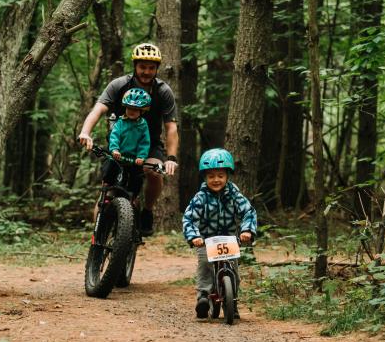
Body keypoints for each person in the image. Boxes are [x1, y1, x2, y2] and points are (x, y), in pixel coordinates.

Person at [79, 43, 179, 233]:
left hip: (148, 145)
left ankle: (147, 211)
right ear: (135, 66)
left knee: (155, 173)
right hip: (119, 144)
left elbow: (171, 127)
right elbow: (98, 109)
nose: (146, 72)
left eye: (151, 68)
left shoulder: (163, 91)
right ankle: (97, 242)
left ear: (157, 68)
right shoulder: (119, 85)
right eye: (142, 67)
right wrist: (85, 132)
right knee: (106, 192)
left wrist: (171, 159)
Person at [182, 148, 257, 320]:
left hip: (229, 239)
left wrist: (246, 230)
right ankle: (203, 297)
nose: (216, 180)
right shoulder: (200, 198)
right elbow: (189, 217)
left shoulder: (234, 195)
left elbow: (248, 212)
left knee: (234, 271)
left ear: (227, 176)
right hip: (205, 240)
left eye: (220, 176)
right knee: (204, 265)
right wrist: (194, 236)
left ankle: (233, 302)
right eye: (211, 176)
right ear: (205, 177)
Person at [104, 87, 152, 199]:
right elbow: (114, 136)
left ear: (142, 110)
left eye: (135, 109)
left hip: (133, 159)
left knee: (137, 177)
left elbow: (144, 142)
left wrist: (141, 156)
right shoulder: (120, 122)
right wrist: (115, 149)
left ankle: (132, 199)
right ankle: (105, 189)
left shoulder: (143, 125)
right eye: (129, 108)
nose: (131, 111)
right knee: (110, 167)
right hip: (118, 155)